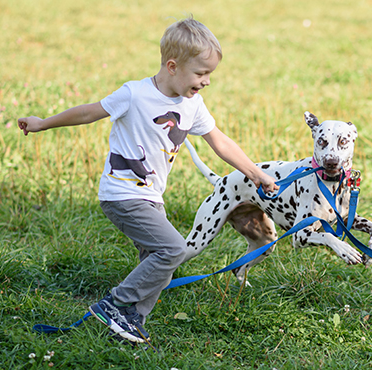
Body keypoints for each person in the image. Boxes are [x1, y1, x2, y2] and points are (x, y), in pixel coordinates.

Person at [17, 16, 278, 344]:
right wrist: (43, 123)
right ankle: (116, 303)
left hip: (152, 197)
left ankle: (129, 324)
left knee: (158, 262)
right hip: (121, 194)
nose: (207, 81)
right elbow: (89, 112)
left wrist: (257, 174)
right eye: (201, 73)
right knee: (172, 249)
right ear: (172, 66)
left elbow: (220, 142)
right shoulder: (135, 94)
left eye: (210, 73)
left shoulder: (192, 104)